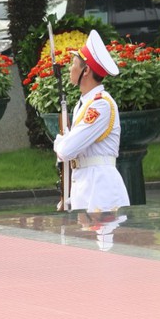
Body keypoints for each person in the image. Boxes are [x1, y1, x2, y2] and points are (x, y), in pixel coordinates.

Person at [51, 30, 128, 212]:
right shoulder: (84, 103)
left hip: (101, 189)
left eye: (74, 64)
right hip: (85, 185)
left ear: (86, 71)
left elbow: (67, 150)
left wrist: (59, 142)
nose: (70, 68)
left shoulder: (100, 105)